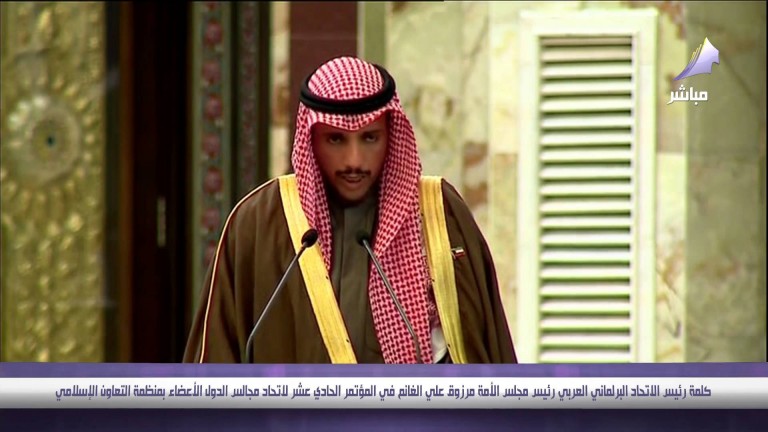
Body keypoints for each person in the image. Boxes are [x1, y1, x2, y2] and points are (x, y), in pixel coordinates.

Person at [183, 56, 517, 364]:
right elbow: (214, 367)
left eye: (369, 138)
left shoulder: (438, 214)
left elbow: (488, 354)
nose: (354, 161)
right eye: (336, 140)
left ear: (391, 135)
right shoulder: (258, 222)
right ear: (311, 138)